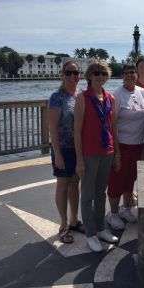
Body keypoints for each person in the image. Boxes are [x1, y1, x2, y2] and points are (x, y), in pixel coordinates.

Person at [74, 60, 120, 252]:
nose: (100, 76)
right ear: (90, 76)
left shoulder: (110, 98)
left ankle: (100, 228)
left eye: (103, 73)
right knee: (87, 195)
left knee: (101, 192)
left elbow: (113, 128)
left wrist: (117, 154)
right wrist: (79, 159)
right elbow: (77, 131)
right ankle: (90, 233)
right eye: (96, 72)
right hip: (89, 154)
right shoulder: (83, 98)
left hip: (107, 152)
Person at [106, 63, 144, 230]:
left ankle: (126, 208)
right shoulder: (117, 95)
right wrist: (116, 152)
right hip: (122, 145)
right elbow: (112, 124)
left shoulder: (143, 93)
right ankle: (113, 213)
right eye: (127, 73)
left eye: (133, 72)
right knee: (116, 180)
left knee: (130, 178)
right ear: (122, 76)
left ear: (137, 75)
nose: (130, 75)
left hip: (138, 144)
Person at [48, 60, 84, 244]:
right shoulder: (57, 97)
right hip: (62, 148)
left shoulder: (82, 96)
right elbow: (52, 129)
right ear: (62, 75)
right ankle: (63, 225)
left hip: (78, 148)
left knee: (74, 183)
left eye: (76, 73)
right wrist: (58, 154)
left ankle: (74, 220)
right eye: (69, 73)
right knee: (62, 184)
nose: (73, 76)